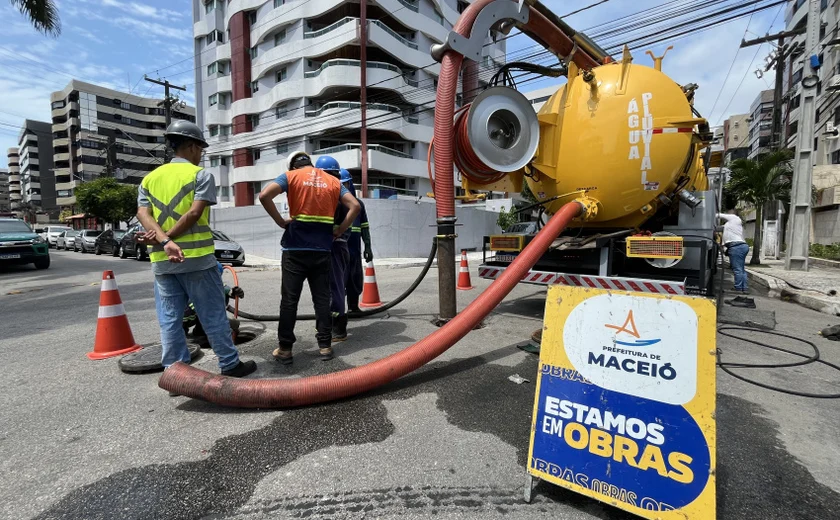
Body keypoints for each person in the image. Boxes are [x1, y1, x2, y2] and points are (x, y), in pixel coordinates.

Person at [136, 120, 256, 381]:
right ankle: (229, 364)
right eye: (200, 148)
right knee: (212, 314)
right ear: (190, 146)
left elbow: (142, 213)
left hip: (162, 260)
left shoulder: (149, 179)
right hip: (197, 260)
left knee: (170, 318)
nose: (201, 154)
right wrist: (169, 238)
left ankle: (174, 371)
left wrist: (163, 241)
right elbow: (194, 212)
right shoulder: (200, 175)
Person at [258, 151, 360, 363]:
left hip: (294, 250)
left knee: (289, 301)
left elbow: (264, 195)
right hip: (322, 250)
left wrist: (279, 220)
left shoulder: (290, 177)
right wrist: (340, 229)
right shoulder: (332, 181)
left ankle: (285, 349)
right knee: (322, 300)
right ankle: (325, 346)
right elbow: (355, 206)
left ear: (292, 166)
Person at [314, 156, 352, 342]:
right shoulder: (339, 191)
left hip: (334, 246)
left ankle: (338, 329)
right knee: (334, 286)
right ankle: (333, 325)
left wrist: (337, 230)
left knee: (333, 286)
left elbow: (355, 208)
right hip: (338, 246)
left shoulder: (334, 192)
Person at [183, 262, 245, 344]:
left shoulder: (219, 285)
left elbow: (231, 292)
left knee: (222, 296)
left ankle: (200, 331)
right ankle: (181, 336)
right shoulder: (195, 288)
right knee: (186, 314)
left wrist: (237, 292)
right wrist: (226, 322)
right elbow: (205, 312)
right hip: (184, 318)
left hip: (200, 315)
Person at [340, 169, 373, 313]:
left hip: (354, 250)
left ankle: (353, 307)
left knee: (354, 278)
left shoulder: (358, 204)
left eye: (345, 184)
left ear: (350, 184)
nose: (342, 187)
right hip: (337, 251)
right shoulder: (333, 203)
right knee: (337, 280)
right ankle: (336, 312)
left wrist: (368, 247)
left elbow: (364, 227)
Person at [717, 209, 749, 293]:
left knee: (737, 269)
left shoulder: (735, 218)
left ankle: (738, 288)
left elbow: (718, 215)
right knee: (741, 269)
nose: (727, 213)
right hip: (740, 246)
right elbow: (720, 229)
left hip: (736, 246)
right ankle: (744, 288)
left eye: (728, 212)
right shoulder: (730, 224)